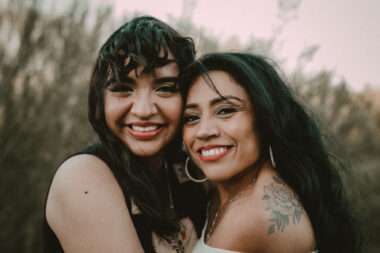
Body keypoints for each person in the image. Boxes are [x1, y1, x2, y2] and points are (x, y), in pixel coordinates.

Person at [43, 16, 207, 253]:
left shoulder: (186, 167)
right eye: (122, 88)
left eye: (165, 88)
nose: (143, 110)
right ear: (101, 98)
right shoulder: (82, 176)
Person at [181, 52, 359, 253]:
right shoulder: (229, 191)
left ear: (265, 118)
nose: (204, 131)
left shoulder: (253, 216)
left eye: (225, 110)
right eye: (191, 117)